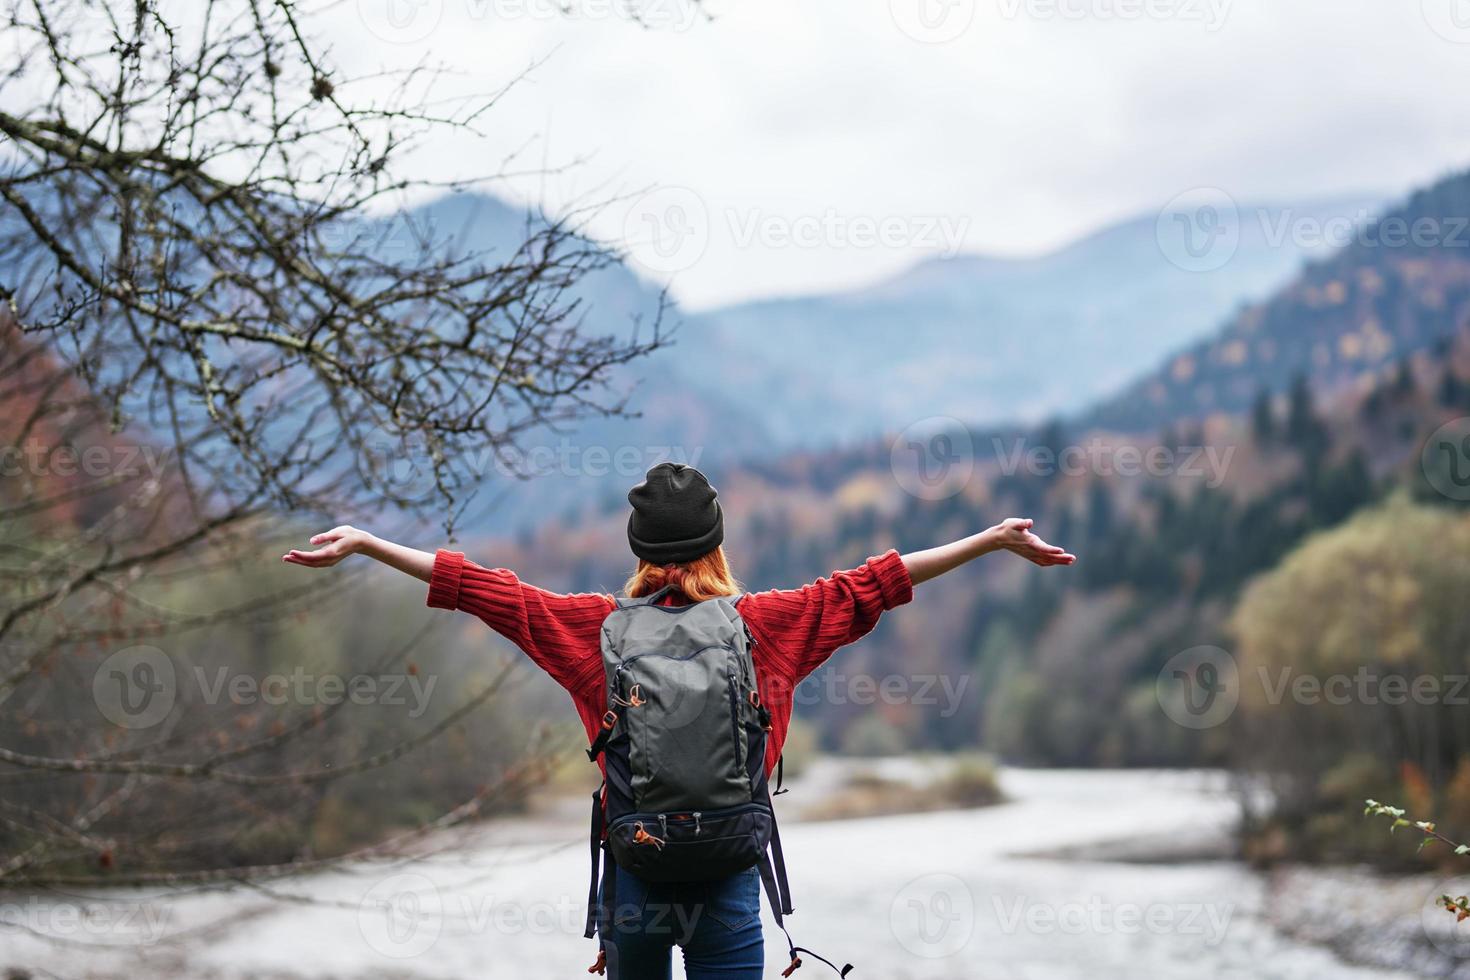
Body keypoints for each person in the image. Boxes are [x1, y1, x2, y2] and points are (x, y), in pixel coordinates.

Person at [284, 462, 1075, 979]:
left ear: (638, 547)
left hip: (636, 877)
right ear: (715, 544)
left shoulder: (592, 628)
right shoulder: (768, 624)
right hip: (729, 875)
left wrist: (370, 545)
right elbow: (879, 581)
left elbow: (488, 590)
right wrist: (989, 542)